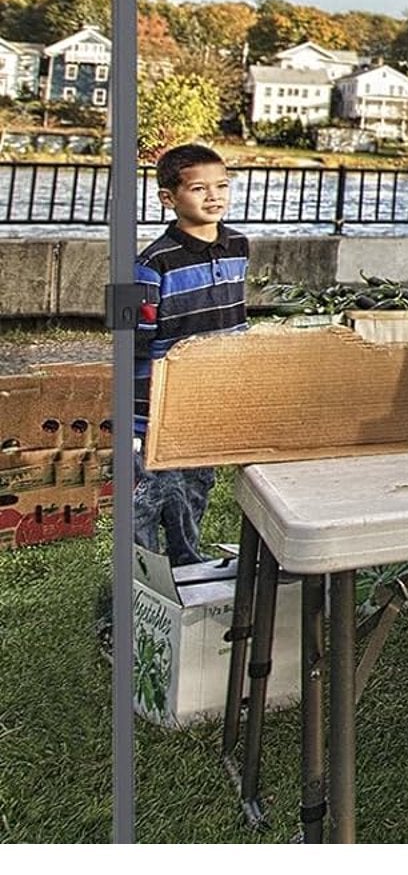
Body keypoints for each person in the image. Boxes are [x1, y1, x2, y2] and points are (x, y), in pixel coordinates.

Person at [134, 143, 250, 566]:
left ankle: (186, 564)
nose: (214, 196)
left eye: (222, 186)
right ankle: (140, 582)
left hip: (211, 400)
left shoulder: (238, 245)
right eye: (199, 188)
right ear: (169, 198)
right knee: (149, 494)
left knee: (196, 486)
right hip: (159, 406)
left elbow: (235, 318)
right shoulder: (150, 262)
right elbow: (133, 337)